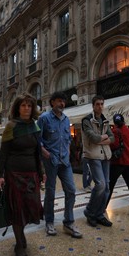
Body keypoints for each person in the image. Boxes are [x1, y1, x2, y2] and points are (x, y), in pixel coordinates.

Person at [0, 93, 45, 256]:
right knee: (17, 209)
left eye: (29, 106)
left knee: (30, 207)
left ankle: (21, 235)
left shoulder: (34, 126)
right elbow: (3, 153)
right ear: (18, 108)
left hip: (31, 174)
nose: (26, 108)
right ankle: (19, 244)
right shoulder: (11, 126)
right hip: (14, 174)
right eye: (23, 105)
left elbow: (37, 151)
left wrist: (41, 171)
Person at [37, 91, 82, 238]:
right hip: (51, 161)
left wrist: (68, 151)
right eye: (58, 101)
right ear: (52, 103)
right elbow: (37, 140)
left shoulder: (66, 119)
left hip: (65, 161)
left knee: (71, 190)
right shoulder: (44, 118)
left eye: (63, 101)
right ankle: (49, 222)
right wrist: (46, 154)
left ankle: (68, 222)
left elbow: (68, 138)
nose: (62, 104)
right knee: (50, 192)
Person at [81, 95, 114, 227]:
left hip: (106, 156)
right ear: (93, 106)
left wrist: (103, 138)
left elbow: (113, 138)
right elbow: (93, 139)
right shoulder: (87, 120)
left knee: (106, 187)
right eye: (97, 104)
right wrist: (105, 137)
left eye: (102, 104)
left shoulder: (105, 120)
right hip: (93, 155)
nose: (100, 106)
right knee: (100, 184)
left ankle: (99, 214)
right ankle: (90, 211)